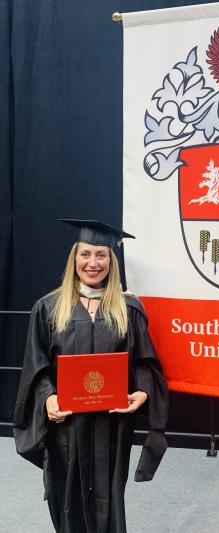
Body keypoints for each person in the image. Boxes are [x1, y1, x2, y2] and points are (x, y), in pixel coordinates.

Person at [13, 219, 169, 533]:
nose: (93, 263)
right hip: (67, 427)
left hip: (112, 425)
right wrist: (48, 399)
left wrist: (142, 392)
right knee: (68, 498)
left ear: (111, 262)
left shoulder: (128, 310)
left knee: (110, 497)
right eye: (85, 254)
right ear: (74, 259)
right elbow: (36, 366)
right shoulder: (48, 309)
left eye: (101, 255)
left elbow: (143, 364)